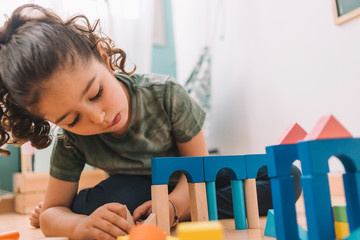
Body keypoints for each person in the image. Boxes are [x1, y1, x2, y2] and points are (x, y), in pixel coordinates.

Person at [0, 4, 302, 240]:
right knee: (104, 205)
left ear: (104, 59)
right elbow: (54, 211)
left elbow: (196, 169)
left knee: (287, 177)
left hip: (193, 180)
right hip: (136, 192)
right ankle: (181, 212)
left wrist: (171, 206)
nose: (98, 117)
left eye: (96, 93)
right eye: (73, 119)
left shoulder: (166, 94)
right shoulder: (71, 139)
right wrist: (80, 226)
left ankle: (182, 211)